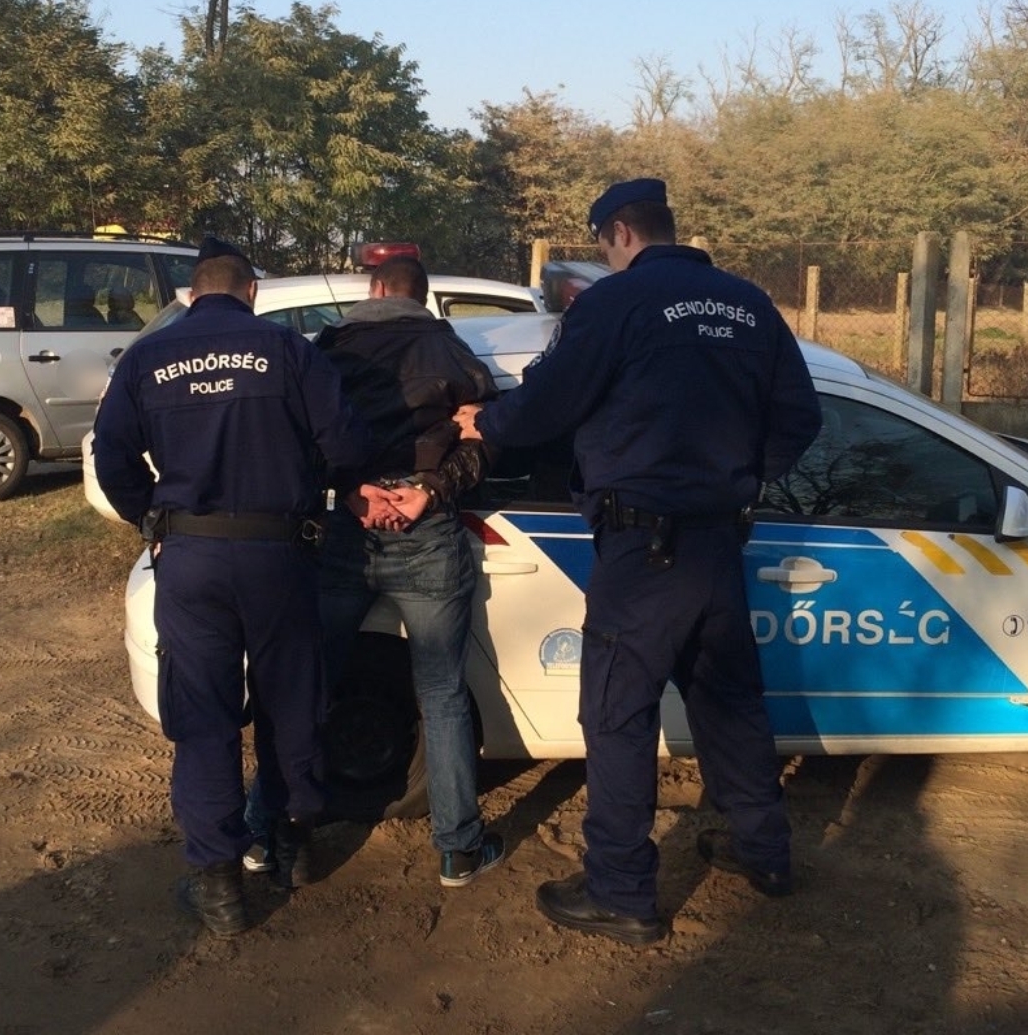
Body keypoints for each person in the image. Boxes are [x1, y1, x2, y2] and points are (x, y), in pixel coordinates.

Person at [456, 178, 822, 945]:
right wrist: (739, 477)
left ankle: (621, 891)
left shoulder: (617, 302)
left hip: (643, 546)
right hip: (718, 540)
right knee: (729, 703)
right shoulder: (749, 303)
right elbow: (800, 416)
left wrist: (486, 421)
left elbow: (549, 402)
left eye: (603, 243)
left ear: (620, 232)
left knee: (616, 713)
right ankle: (765, 852)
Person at [92, 235, 371, 937]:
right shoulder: (289, 350)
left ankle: (219, 885)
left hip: (191, 557)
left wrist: (151, 517)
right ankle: (292, 845)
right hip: (280, 555)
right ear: (252, 291)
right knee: (291, 701)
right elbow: (347, 444)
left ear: (192, 294)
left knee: (204, 714)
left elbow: (111, 454)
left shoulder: (148, 357)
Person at [247, 254, 505, 889]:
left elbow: (300, 440)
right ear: (422, 298)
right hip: (430, 531)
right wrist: (428, 491)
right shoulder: (453, 352)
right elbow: (490, 439)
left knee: (309, 683)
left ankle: (263, 827)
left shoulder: (326, 351)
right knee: (441, 693)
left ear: (375, 289)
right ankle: (458, 850)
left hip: (348, 532)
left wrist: (353, 491)